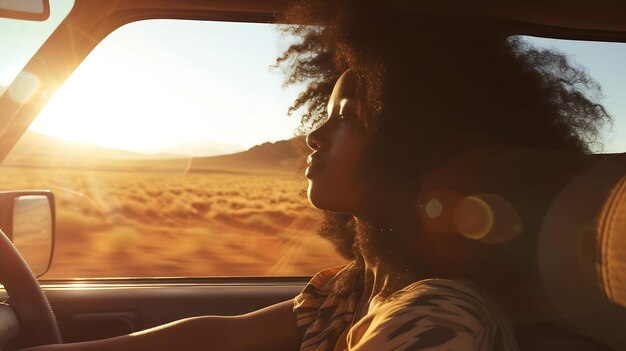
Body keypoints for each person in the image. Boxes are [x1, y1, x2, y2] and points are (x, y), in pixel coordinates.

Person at [21, 0, 611, 350]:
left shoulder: (439, 316)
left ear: (418, 143)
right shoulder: (357, 288)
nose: (314, 134)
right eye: (324, 114)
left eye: (348, 118)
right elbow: (221, 336)